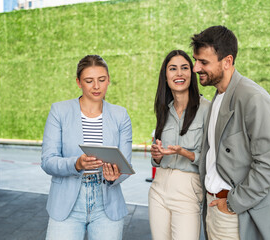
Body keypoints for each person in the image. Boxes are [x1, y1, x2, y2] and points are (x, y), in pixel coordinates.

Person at [191, 26, 270, 240]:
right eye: (196, 60)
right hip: (215, 210)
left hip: (236, 215)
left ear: (227, 61)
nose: (196, 68)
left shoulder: (253, 98)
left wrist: (232, 203)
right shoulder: (218, 96)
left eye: (203, 62)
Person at [41, 55, 132, 240]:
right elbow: (48, 161)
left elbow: (125, 165)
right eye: (89, 81)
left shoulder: (120, 115)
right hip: (66, 203)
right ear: (78, 82)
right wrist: (77, 164)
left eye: (102, 80)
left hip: (107, 203)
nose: (96, 86)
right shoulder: (59, 111)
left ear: (108, 80)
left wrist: (114, 177)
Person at [149, 50, 210, 240]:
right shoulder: (163, 110)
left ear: (192, 73)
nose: (179, 74)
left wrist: (186, 153)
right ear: (166, 76)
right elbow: (156, 159)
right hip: (159, 188)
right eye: (173, 69)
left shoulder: (207, 109)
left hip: (188, 190)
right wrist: (156, 156)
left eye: (185, 68)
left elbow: (213, 158)